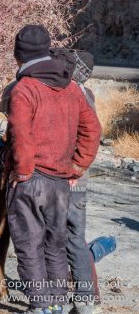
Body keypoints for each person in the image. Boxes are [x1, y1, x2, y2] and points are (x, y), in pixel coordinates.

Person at [5, 25, 101, 314]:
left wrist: (21, 171)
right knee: (56, 244)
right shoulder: (71, 87)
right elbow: (93, 130)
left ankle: (40, 305)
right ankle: (58, 302)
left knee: (29, 245)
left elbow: (20, 134)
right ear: (48, 50)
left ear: (18, 56)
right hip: (61, 182)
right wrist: (77, 166)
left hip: (31, 180)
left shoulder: (24, 89)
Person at [63, 49, 101, 314]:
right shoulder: (87, 94)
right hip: (79, 175)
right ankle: (88, 298)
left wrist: (74, 169)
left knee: (62, 237)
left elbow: (85, 135)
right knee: (76, 237)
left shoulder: (72, 95)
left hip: (68, 176)